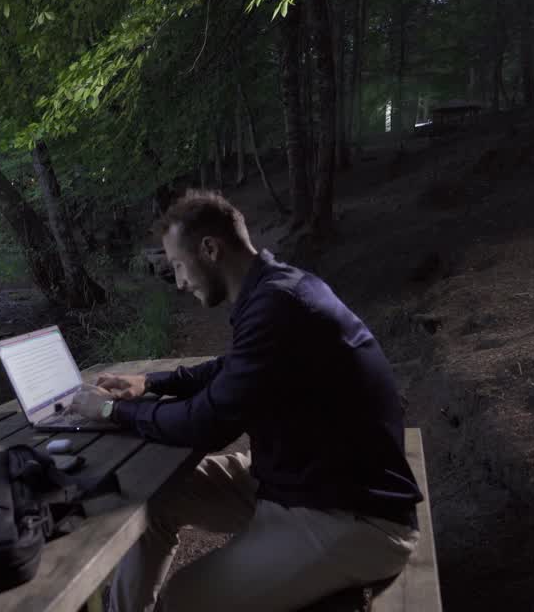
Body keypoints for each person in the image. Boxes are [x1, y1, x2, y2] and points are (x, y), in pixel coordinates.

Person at [69, 189, 422, 612]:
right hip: (296, 478)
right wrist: (147, 383)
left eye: (178, 265)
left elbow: (205, 423)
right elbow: (231, 368)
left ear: (210, 249)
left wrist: (111, 410)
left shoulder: (280, 305)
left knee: (182, 602)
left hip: (353, 517)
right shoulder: (277, 289)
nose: (179, 282)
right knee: (155, 500)